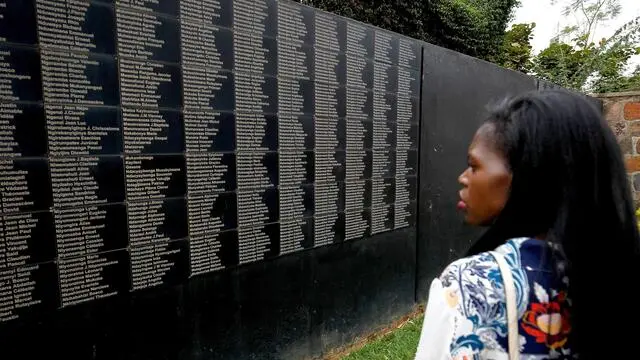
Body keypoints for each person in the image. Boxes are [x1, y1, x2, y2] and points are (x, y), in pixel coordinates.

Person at [414, 90, 640, 359]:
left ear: (529, 176)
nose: (463, 178)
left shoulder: (469, 285)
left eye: (474, 166)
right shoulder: (616, 277)